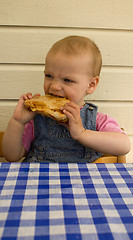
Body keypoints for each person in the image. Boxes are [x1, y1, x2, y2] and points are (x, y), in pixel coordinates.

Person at [2, 36, 130, 163]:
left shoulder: (96, 119)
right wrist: (17, 122)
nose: (54, 86)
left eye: (67, 80)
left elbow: (124, 146)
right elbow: (11, 156)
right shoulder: (35, 118)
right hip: (41, 180)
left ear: (91, 85)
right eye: (49, 76)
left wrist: (82, 133)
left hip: (82, 181)